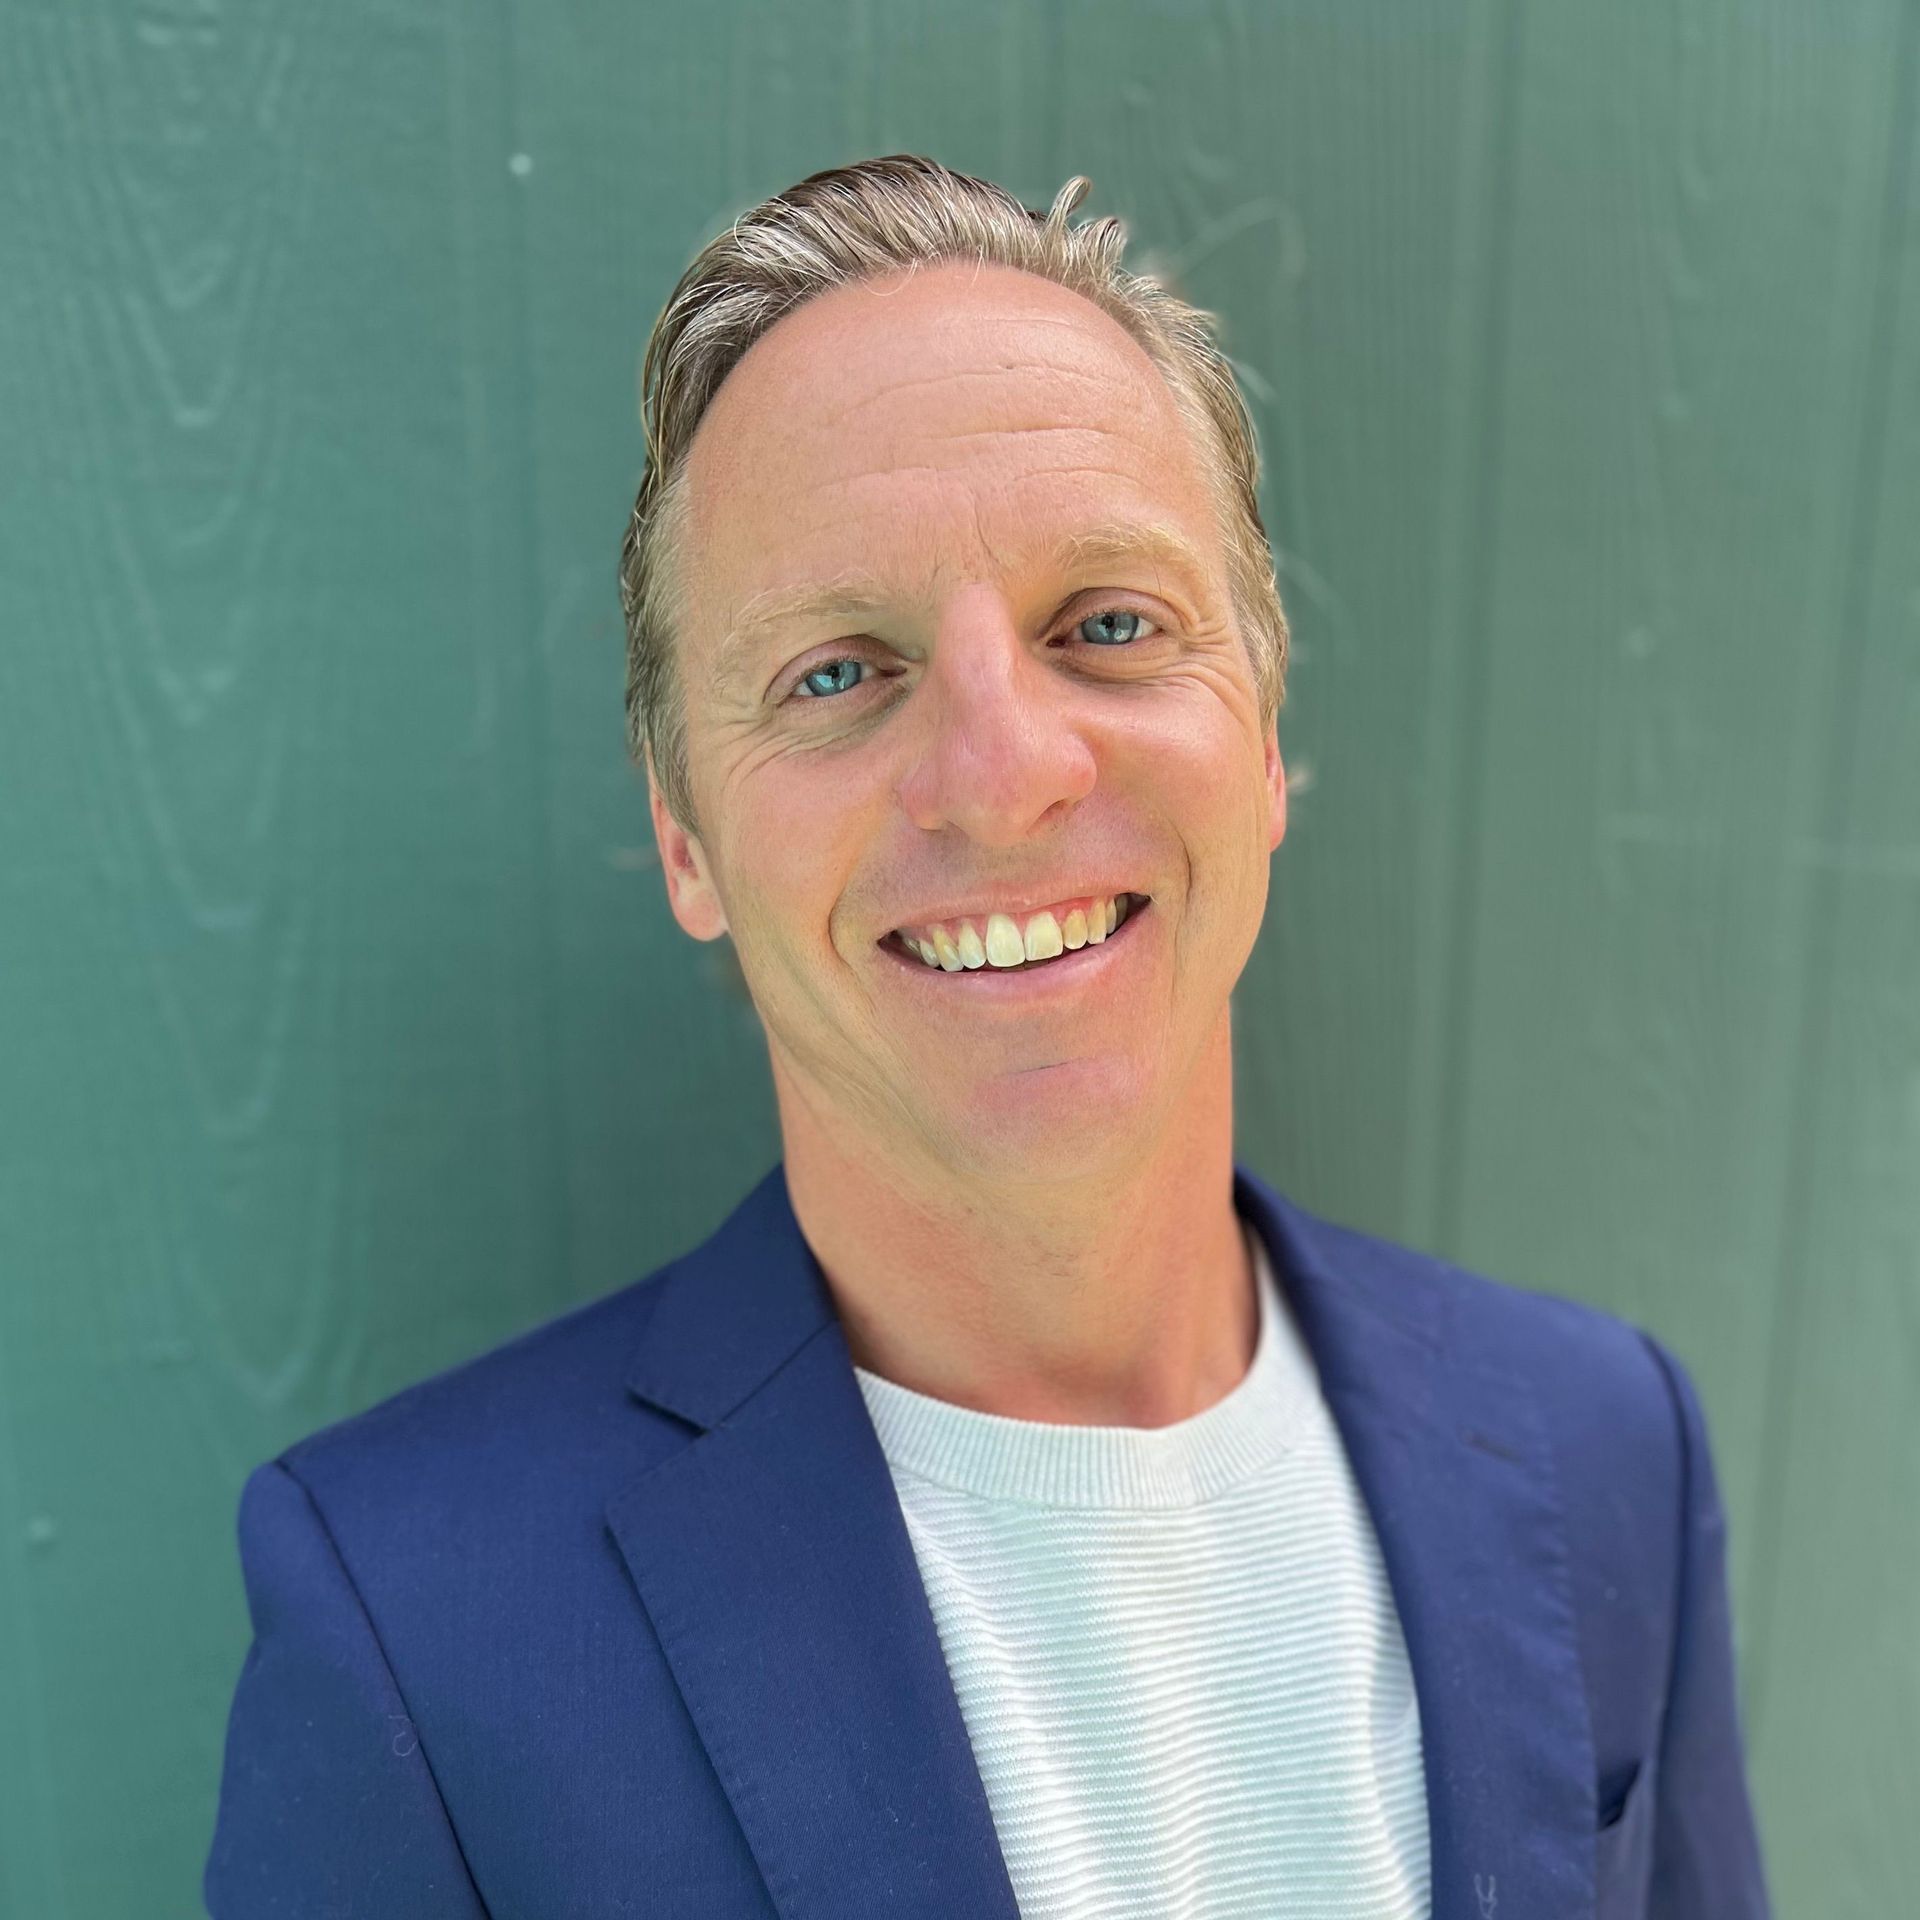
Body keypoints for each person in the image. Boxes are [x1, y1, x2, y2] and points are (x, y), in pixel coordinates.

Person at [204, 154, 1771, 1919]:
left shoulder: (1602, 1445)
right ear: (685, 837)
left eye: (1109, 626)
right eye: (835, 671)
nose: (1004, 771)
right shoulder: (418, 1630)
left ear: (1262, 744)